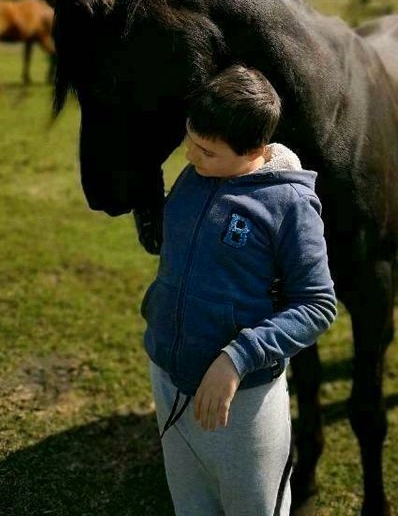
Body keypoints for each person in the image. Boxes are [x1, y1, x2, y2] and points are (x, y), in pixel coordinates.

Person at [141, 64, 336, 516]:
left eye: (206, 150)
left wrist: (237, 357)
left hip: (242, 400)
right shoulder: (197, 175)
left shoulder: (290, 206)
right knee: (190, 506)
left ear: (255, 150)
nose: (190, 157)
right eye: (190, 140)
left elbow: (317, 305)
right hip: (169, 379)